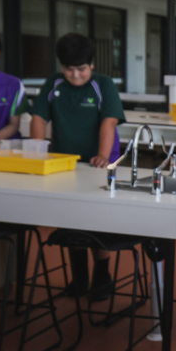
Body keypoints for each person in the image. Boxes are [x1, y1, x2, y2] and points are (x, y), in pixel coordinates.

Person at [29, 33, 126, 301]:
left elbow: (109, 121)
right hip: (65, 163)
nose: (75, 75)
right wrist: (38, 152)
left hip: (99, 163)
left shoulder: (103, 84)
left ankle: (102, 273)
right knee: (71, 218)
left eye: (81, 69)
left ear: (91, 64)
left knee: (98, 218)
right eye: (69, 69)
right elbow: (38, 117)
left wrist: (102, 155)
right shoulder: (54, 83)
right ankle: (79, 276)